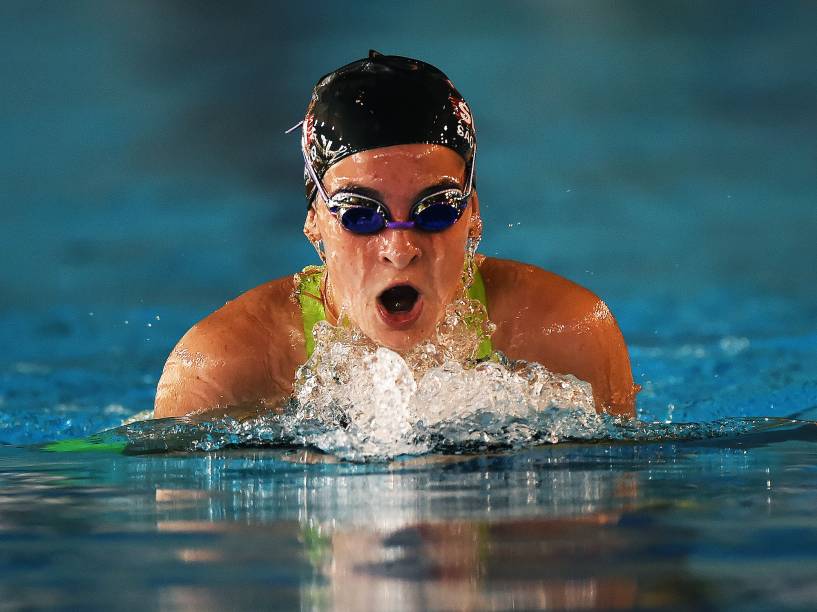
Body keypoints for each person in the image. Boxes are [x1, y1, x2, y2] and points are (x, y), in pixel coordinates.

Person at [154, 51, 639, 419]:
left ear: (472, 213)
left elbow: (619, 528)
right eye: (361, 214)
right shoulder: (224, 365)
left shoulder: (565, 335)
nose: (401, 249)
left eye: (435, 211)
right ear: (314, 222)